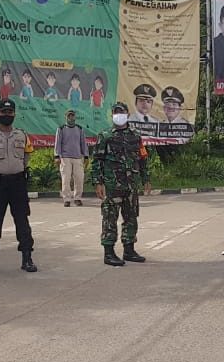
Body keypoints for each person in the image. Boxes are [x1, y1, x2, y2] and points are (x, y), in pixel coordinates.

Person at [0, 99, 36, 274]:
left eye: (10, 112)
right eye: (3, 112)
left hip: (17, 184)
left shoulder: (21, 135)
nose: (6, 115)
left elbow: (26, 158)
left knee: (22, 222)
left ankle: (27, 258)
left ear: (14, 114)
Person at [90, 102, 151, 266]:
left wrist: (146, 179)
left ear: (127, 113)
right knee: (110, 218)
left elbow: (142, 158)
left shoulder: (135, 136)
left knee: (131, 217)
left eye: (121, 112)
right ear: (112, 114)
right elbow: (97, 161)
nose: (119, 114)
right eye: (116, 112)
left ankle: (129, 250)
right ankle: (108, 253)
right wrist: (98, 182)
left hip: (131, 185)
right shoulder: (105, 136)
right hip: (112, 186)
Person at [54, 109, 89, 207]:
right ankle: (67, 199)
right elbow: (58, 143)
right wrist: (57, 156)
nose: (71, 117)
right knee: (66, 179)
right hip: (65, 158)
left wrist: (86, 156)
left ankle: (77, 198)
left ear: (75, 117)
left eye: (72, 115)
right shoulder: (61, 129)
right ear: (66, 117)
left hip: (78, 157)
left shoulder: (80, 129)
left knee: (79, 178)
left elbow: (83, 143)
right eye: (69, 116)